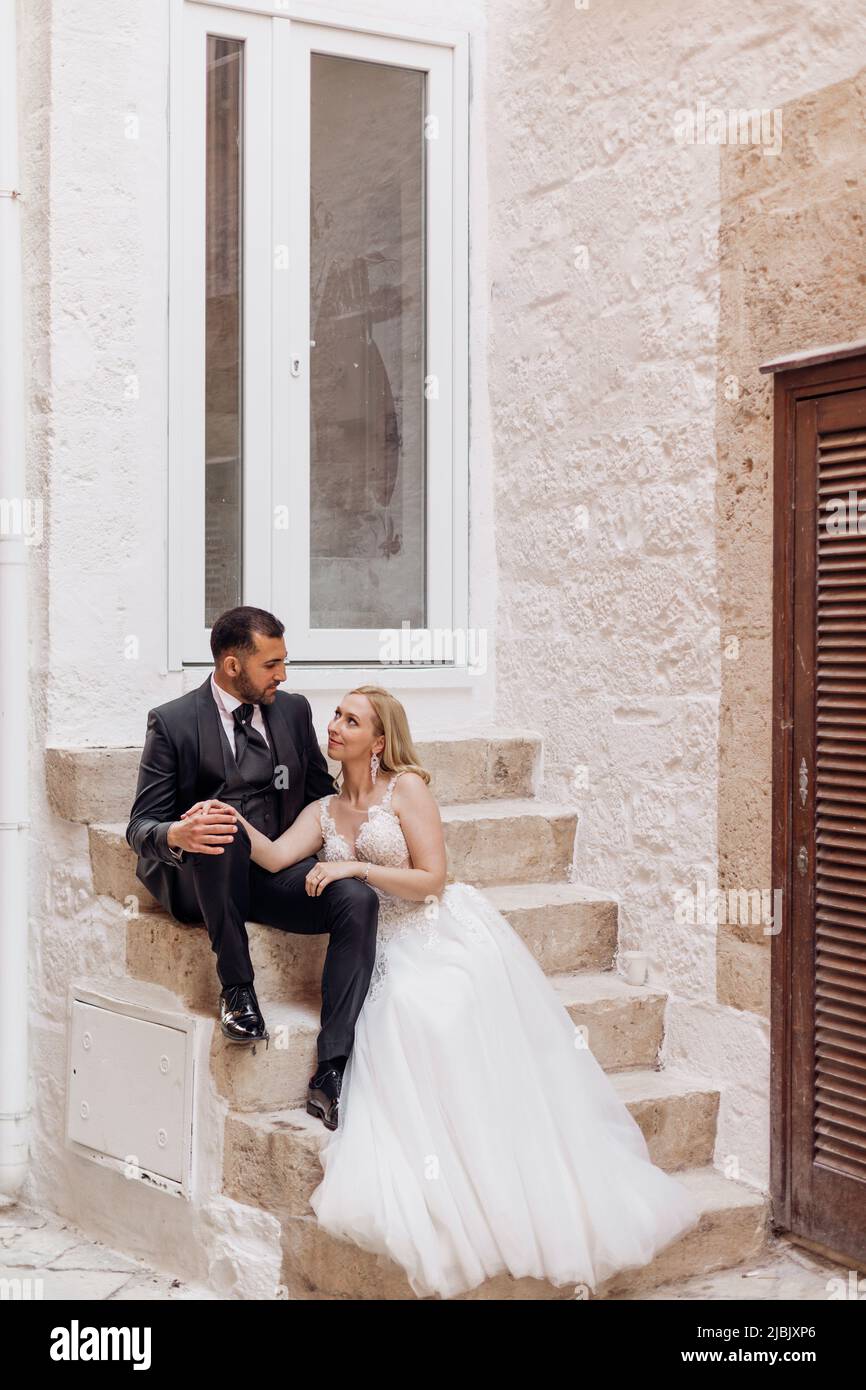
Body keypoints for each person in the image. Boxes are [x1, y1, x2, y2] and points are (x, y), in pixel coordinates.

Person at [182, 683, 704, 1300]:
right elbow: (271, 858)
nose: (336, 726)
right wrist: (227, 819)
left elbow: (432, 879)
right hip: (381, 940)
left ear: (378, 741)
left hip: (433, 929)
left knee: (432, 1006)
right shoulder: (322, 810)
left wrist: (354, 868)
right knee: (398, 1006)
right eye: (337, 716)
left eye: (351, 720)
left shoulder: (406, 789)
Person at [125, 608, 379, 1125]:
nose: (282, 675)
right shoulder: (173, 722)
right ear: (233, 664)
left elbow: (316, 793)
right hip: (206, 875)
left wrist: (355, 842)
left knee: (358, 899)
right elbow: (140, 827)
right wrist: (177, 834)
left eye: (284, 662)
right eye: (272, 664)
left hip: (275, 866)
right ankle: (237, 988)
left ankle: (331, 1067)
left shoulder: (291, 711)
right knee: (220, 821)